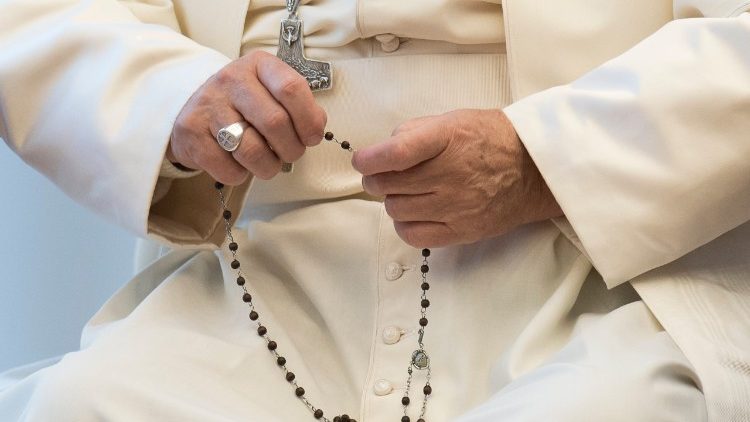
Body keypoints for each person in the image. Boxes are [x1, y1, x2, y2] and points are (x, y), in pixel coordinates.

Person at [0, 0, 748, 421]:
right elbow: (38, 16)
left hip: (595, 257)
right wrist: (172, 101)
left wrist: (541, 157)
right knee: (86, 407)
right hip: (257, 265)